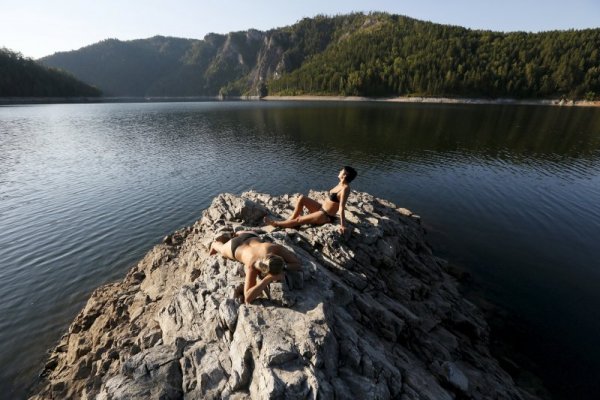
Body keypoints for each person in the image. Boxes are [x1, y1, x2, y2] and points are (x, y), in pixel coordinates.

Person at [209, 231, 301, 304]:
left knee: (240, 235)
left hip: (249, 235)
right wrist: (268, 279)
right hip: (234, 246)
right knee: (220, 248)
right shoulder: (253, 264)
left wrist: (284, 267)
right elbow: (247, 298)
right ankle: (215, 244)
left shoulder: (272, 248)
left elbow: (297, 264)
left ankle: (235, 233)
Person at [264, 166, 357, 233]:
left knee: (299, 220)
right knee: (302, 198)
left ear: (345, 175)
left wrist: (343, 225)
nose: (340, 171)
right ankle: (290, 221)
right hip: (321, 208)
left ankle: (277, 224)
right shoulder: (340, 183)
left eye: (342, 170)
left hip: (325, 215)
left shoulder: (345, 188)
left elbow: (341, 207)